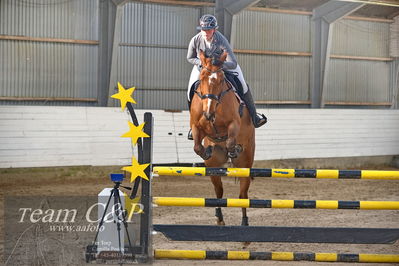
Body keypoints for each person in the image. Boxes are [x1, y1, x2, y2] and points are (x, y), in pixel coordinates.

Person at [186, 14, 267, 140]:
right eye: (204, 30)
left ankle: (254, 116)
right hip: (203, 68)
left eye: (209, 30)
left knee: (243, 86)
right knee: (191, 90)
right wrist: (201, 64)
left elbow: (232, 62)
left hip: (224, 66)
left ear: (214, 30)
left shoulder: (221, 40)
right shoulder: (196, 40)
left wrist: (218, 66)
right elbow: (190, 57)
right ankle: (193, 124)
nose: (206, 32)